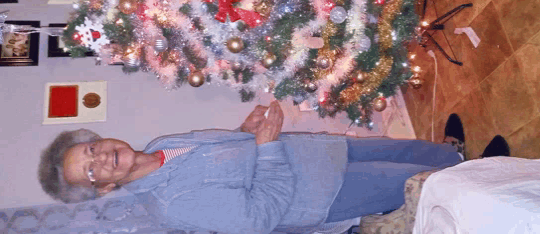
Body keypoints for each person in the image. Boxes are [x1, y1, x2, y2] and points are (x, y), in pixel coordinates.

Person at [38, 101, 500, 234]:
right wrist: (265, 147)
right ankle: (491, 176)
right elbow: (258, 218)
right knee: (417, 183)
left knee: (409, 152)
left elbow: (229, 156)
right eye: (91, 170)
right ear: (103, 190)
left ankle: (456, 154)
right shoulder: (170, 206)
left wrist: (245, 130)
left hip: (320, 152)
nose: (100, 158)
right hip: (326, 193)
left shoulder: (161, 146)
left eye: (92, 149)